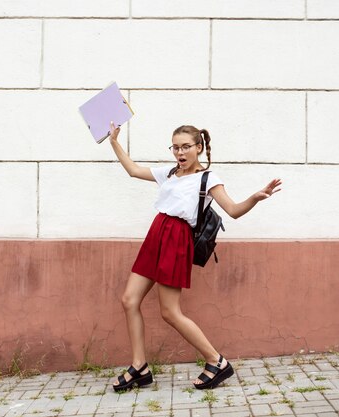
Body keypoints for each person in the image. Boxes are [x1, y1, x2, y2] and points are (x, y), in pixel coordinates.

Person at [108, 121, 282, 392]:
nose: (180, 152)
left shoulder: (208, 178)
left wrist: (255, 198)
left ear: (198, 148)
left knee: (170, 312)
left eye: (186, 146)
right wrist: (114, 142)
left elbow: (233, 210)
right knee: (129, 300)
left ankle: (217, 361)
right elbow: (132, 170)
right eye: (175, 147)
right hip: (156, 235)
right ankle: (139, 367)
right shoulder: (169, 172)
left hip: (176, 241)